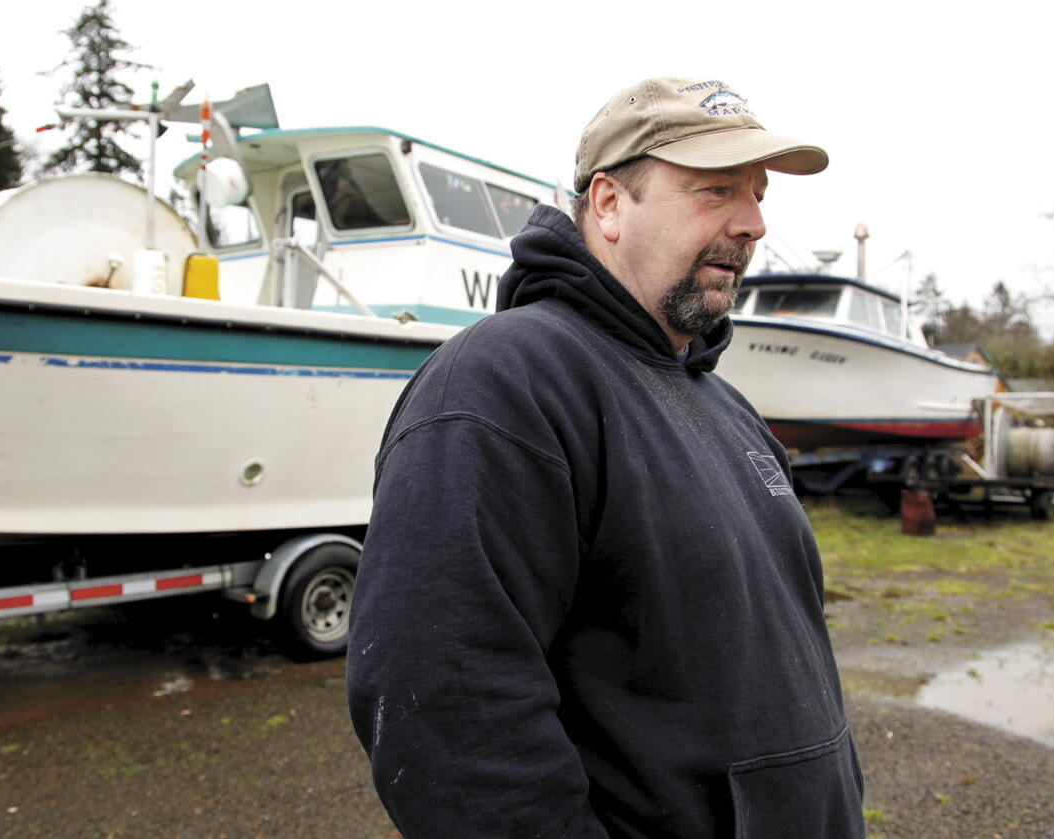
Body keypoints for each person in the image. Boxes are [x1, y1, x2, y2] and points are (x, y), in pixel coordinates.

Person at [346, 77, 865, 838]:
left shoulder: (726, 409)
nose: (752, 223)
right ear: (609, 204)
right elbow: (447, 712)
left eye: (757, 195)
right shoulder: (506, 384)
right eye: (716, 191)